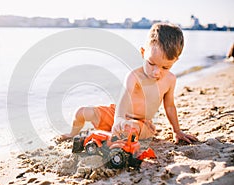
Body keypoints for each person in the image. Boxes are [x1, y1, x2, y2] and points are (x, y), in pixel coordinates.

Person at [57, 23, 198, 144]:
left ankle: (112, 139)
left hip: (141, 123)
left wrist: (177, 131)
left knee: (131, 129)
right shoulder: (134, 76)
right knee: (81, 112)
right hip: (117, 114)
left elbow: (170, 106)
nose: (156, 72)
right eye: (151, 63)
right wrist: (118, 119)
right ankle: (72, 134)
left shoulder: (170, 80)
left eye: (165, 67)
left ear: (175, 61)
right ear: (143, 53)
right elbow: (123, 100)